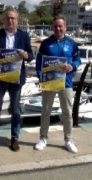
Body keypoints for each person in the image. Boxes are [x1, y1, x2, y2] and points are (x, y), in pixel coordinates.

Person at [0, 8, 34, 152]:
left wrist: (27, 56)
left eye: (13, 18)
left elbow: (31, 55)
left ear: (17, 20)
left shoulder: (24, 36)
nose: (10, 20)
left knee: (15, 110)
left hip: (16, 79)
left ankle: (15, 138)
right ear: (4, 20)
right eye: (8, 18)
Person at [35, 14, 81, 153]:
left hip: (66, 83)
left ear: (65, 27)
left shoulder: (72, 44)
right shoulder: (45, 43)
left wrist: (72, 66)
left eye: (60, 26)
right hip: (49, 82)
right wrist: (40, 76)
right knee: (45, 112)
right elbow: (38, 62)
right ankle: (43, 138)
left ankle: (68, 140)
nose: (58, 28)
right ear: (52, 28)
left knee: (67, 113)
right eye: (55, 26)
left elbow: (78, 59)